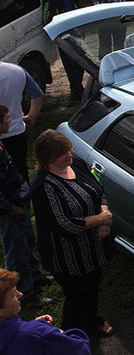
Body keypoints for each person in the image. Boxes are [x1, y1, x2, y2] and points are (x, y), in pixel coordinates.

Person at [31, 130, 115, 337]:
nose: (70, 154)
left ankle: (90, 322)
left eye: (69, 149)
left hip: (92, 247)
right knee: (78, 296)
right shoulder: (44, 186)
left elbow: (98, 190)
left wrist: (104, 215)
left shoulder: (75, 163)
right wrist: (101, 220)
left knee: (92, 288)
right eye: (63, 153)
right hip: (68, 256)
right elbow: (65, 224)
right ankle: (72, 335)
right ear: (49, 159)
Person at [0, 105, 52, 309]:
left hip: (17, 201)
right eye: (6, 118)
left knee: (27, 241)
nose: (10, 121)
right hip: (8, 209)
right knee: (16, 251)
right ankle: (25, 294)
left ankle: (34, 277)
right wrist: (10, 207)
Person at [0, 268, 90, 354]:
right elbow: (80, 349)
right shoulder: (40, 334)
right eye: (12, 295)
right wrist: (56, 332)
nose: (20, 294)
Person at [42, 0, 84, 100]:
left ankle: (77, 87)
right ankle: (78, 91)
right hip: (61, 32)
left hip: (75, 31)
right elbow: (46, 14)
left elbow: (79, 11)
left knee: (81, 61)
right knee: (69, 63)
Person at [0, 61, 43, 180]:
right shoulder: (16, 71)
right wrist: (31, 116)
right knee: (20, 171)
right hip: (16, 132)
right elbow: (38, 95)